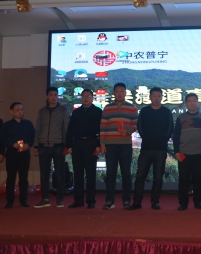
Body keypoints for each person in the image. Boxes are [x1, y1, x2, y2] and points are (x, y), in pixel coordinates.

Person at [128, 87, 174, 211]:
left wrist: (163, 140)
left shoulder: (166, 112)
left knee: (158, 177)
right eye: (154, 96)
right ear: (150, 97)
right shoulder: (144, 111)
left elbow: (170, 128)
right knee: (140, 176)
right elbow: (140, 127)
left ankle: (155, 202)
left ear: (162, 97)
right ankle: (137, 202)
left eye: (159, 96)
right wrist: (147, 138)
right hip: (146, 149)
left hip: (161, 149)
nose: (156, 98)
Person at [100, 82, 138, 210]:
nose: (120, 93)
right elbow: (103, 126)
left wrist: (129, 131)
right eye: (117, 91)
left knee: (126, 173)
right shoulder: (107, 108)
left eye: (122, 91)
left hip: (125, 145)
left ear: (125, 93)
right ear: (114, 93)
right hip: (110, 145)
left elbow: (136, 124)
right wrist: (101, 143)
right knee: (110, 174)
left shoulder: (132, 108)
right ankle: (109, 201)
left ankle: (126, 200)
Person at [33, 87, 70, 208]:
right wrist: (36, 145)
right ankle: (45, 199)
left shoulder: (64, 110)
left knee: (59, 173)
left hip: (59, 146)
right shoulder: (42, 111)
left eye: (55, 95)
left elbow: (67, 128)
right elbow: (38, 129)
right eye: (51, 95)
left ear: (58, 96)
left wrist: (68, 145)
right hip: (43, 146)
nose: (53, 97)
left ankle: (59, 199)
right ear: (46, 97)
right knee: (44, 174)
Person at [65, 89, 102, 209]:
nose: (86, 98)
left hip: (91, 143)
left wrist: (99, 144)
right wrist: (69, 146)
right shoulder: (76, 112)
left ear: (92, 98)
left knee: (91, 174)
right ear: (81, 98)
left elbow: (101, 130)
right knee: (78, 174)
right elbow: (70, 130)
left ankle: (91, 200)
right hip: (77, 144)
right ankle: (78, 200)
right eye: (84, 96)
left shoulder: (98, 112)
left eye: (88, 96)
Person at [173, 93, 201, 211]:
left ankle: (198, 201)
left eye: (194, 100)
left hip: (199, 153)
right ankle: (183, 203)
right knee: (184, 179)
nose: (192, 103)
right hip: (184, 153)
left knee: (198, 179)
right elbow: (176, 135)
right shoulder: (181, 118)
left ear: (197, 102)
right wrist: (176, 151)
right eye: (189, 101)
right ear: (186, 103)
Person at [0, 102, 35, 209]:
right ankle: (9, 201)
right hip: (12, 153)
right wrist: (12, 144)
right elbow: (2, 139)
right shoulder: (6, 125)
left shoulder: (28, 124)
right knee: (11, 178)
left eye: (21, 110)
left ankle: (23, 200)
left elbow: (33, 136)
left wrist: (28, 144)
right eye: (17, 110)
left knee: (23, 178)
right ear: (11, 112)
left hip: (24, 154)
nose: (20, 112)